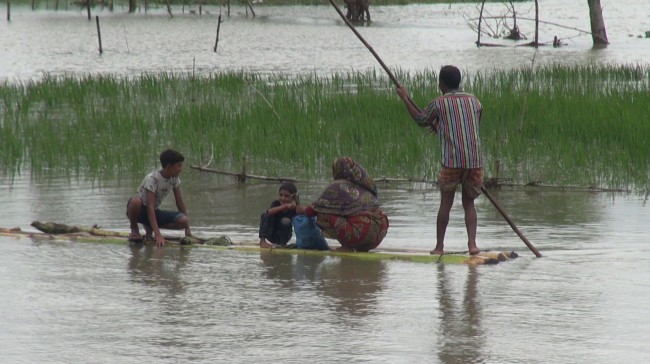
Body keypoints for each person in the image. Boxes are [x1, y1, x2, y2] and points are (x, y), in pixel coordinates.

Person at [396, 65, 483, 255]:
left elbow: (421, 119)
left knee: (446, 202)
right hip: (475, 160)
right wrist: (440, 127)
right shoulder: (475, 102)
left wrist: (404, 98)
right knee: (469, 204)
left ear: (441, 84)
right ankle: (472, 245)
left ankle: (439, 247)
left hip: (452, 160)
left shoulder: (439, 103)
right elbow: (470, 127)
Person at [296, 156, 389, 252]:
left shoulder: (337, 186)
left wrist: (300, 210)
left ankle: (346, 247)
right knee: (353, 214)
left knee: (323, 214)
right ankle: (362, 248)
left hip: (361, 234)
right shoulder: (364, 185)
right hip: (380, 232)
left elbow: (313, 210)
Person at [126, 149, 192, 247]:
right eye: (179, 165)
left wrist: (187, 227)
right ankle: (134, 227)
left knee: (184, 221)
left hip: (153, 212)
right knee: (135, 201)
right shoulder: (153, 179)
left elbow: (179, 202)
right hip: (141, 210)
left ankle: (149, 225)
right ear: (169, 167)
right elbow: (150, 207)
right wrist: (158, 234)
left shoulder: (174, 179)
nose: (181, 169)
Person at [259, 182, 298, 248]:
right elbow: (269, 212)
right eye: (281, 195)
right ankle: (262, 241)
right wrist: (285, 206)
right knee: (265, 214)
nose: (283, 198)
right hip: (271, 234)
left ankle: (283, 245)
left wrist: (297, 205)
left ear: (293, 198)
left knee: (286, 221)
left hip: (284, 237)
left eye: (286, 196)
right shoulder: (276, 203)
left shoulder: (294, 209)